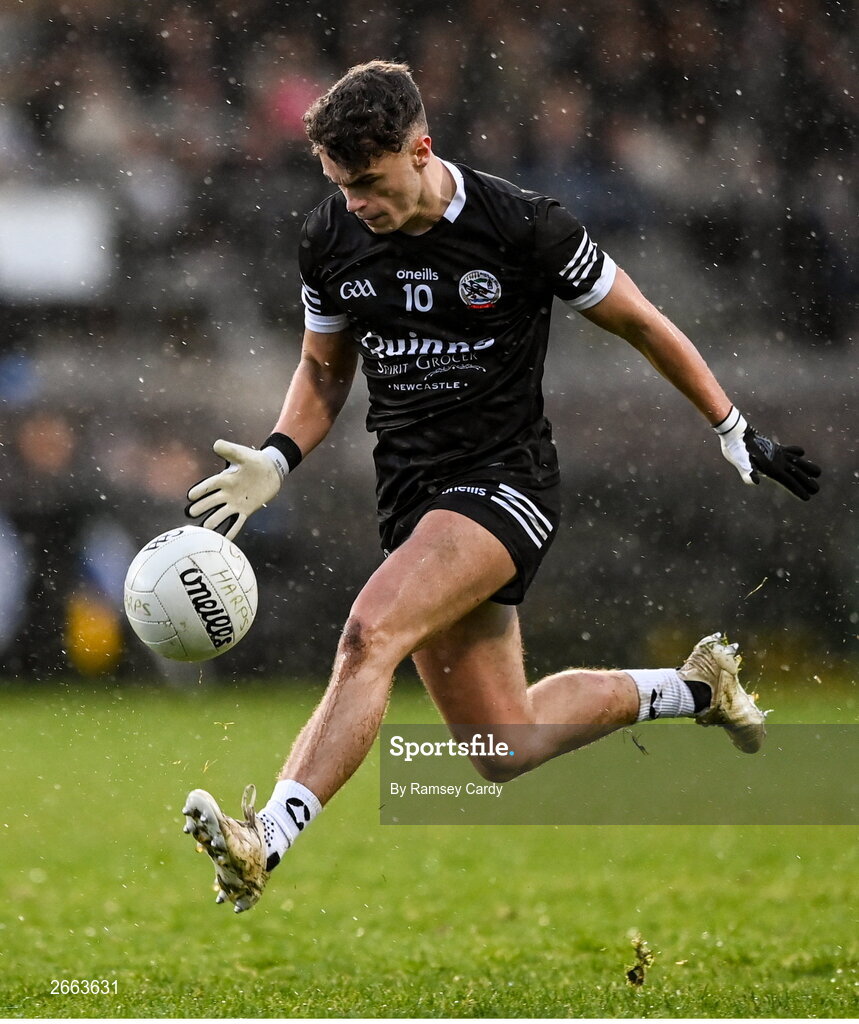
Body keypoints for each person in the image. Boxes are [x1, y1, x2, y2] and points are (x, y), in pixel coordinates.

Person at [181, 61, 821, 913]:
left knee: (369, 635)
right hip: (412, 498)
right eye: (338, 183)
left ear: (420, 149)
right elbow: (322, 369)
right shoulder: (328, 235)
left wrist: (731, 426)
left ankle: (268, 839)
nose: (354, 202)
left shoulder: (522, 226)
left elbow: (640, 320)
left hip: (504, 482)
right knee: (500, 743)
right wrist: (278, 455)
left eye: (367, 181)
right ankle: (695, 688)